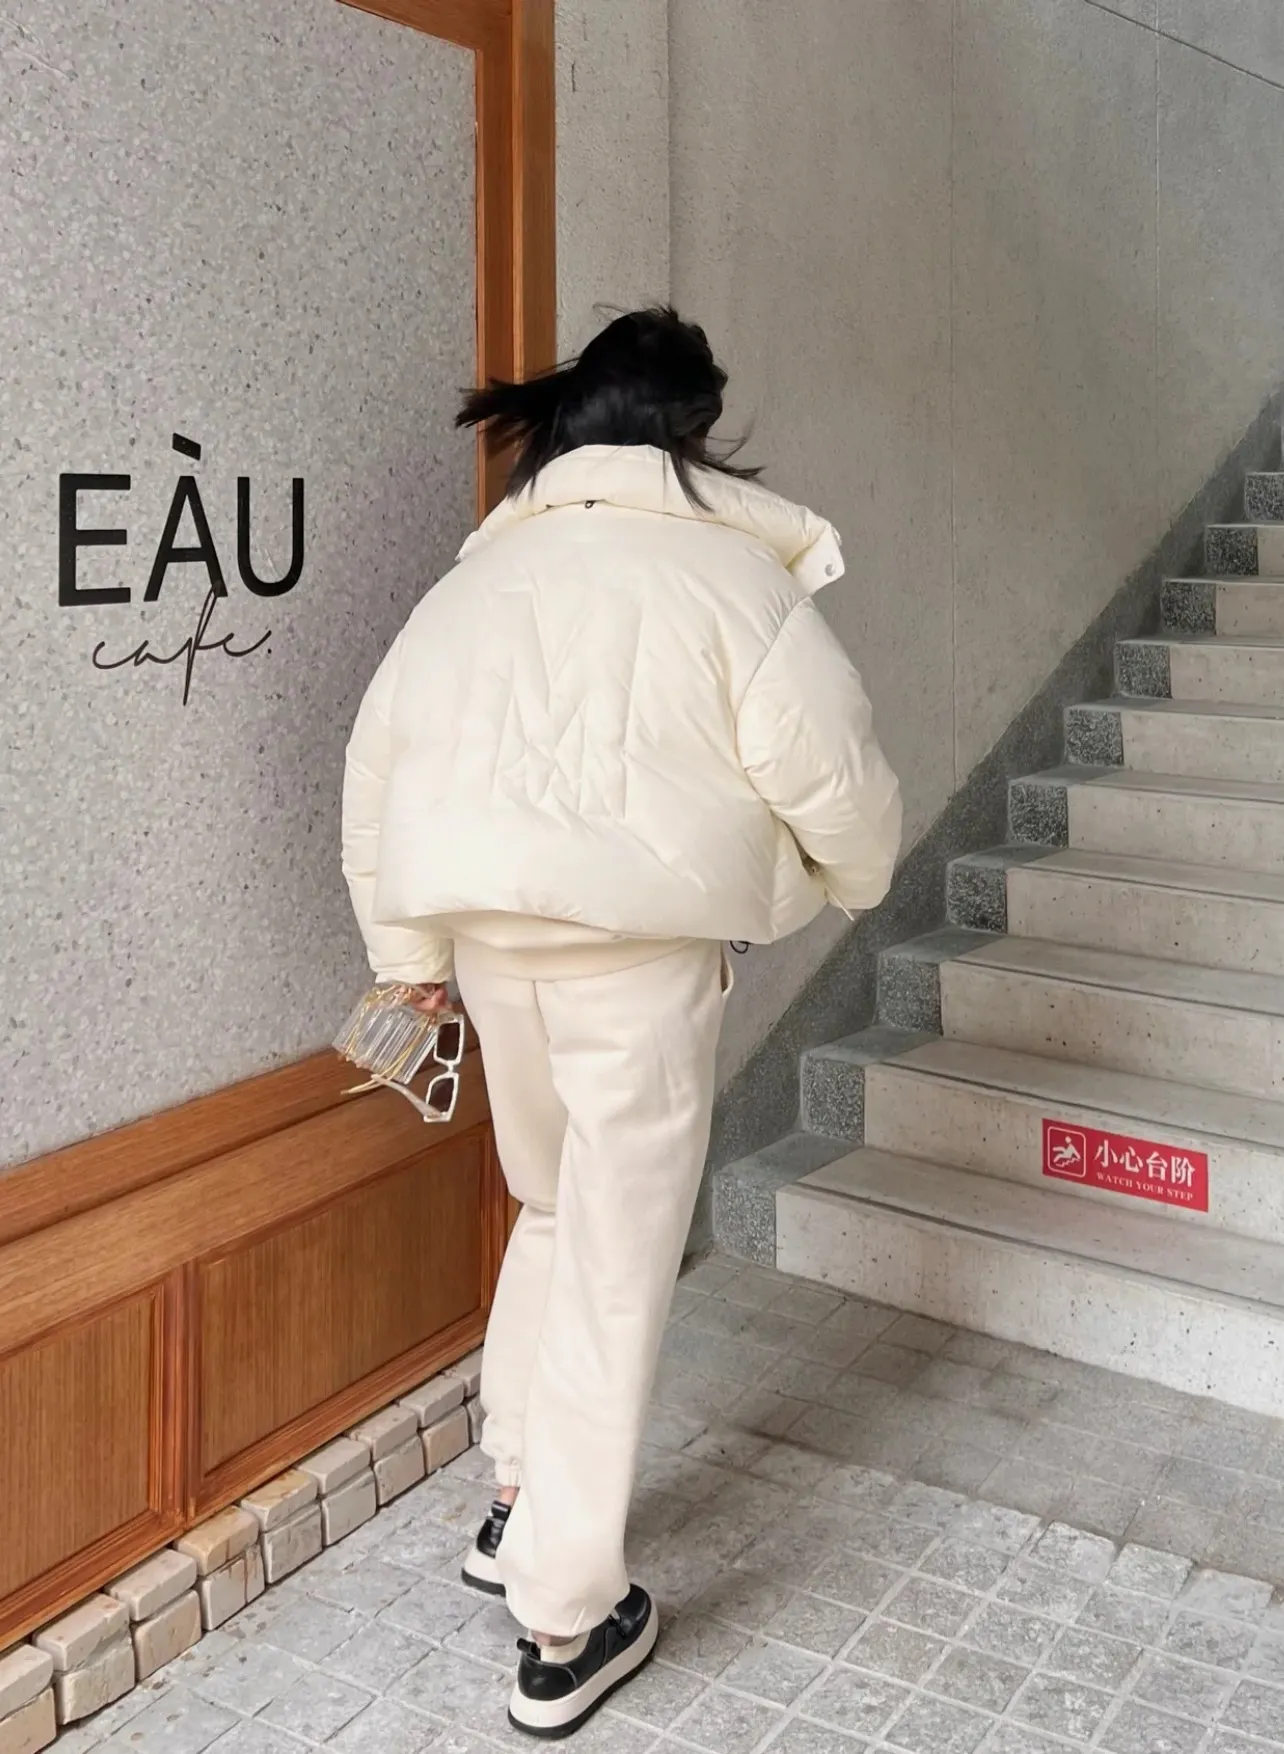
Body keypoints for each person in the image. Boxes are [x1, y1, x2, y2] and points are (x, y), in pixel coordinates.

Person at [341, 307, 902, 1737]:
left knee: (550, 1209)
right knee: (616, 1262)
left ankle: (514, 1493)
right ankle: (563, 1619)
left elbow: (376, 770)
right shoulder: (736, 582)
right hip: (638, 962)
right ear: (693, 432)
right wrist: (851, 883)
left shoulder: (477, 579)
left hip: (490, 950)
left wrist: (410, 958)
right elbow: (836, 775)